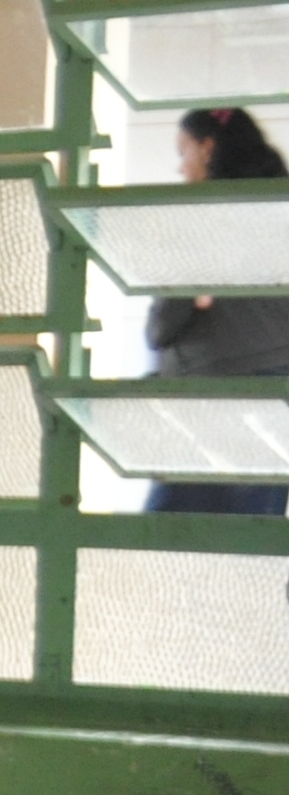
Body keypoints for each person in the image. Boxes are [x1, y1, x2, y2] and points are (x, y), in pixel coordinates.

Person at [145, 103, 289, 517]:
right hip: (276, 399)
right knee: (247, 539)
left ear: (208, 149)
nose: (180, 168)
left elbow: (162, 328)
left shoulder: (202, 215)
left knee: (173, 539)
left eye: (183, 151)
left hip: (211, 396)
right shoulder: (277, 209)